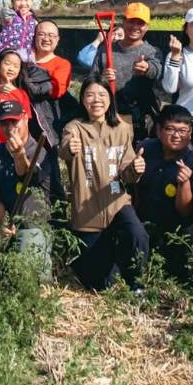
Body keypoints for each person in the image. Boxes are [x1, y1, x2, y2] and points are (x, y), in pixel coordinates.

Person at [60, 77, 149, 292]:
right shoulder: (75, 128)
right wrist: (69, 148)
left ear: (110, 99)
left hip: (116, 200)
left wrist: (135, 169)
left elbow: (126, 170)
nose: (96, 100)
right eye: (90, 95)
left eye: (102, 95)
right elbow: (65, 149)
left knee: (137, 233)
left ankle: (137, 283)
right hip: (87, 209)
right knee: (98, 282)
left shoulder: (121, 128)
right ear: (82, 100)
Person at [0, 100, 56, 277]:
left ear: (25, 119)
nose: (10, 128)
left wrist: (19, 156)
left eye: (15, 122)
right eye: (4, 123)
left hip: (32, 225)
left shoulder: (42, 151)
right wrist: (2, 223)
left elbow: (30, 177)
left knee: (30, 259)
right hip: (4, 222)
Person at [135, 103, 193, 281]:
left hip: (176, 226)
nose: (177, 136)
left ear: (190, 133)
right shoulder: (146, 148)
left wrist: (183, 184)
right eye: (170, 129)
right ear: (159, 130)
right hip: (146, 219)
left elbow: (185, 211)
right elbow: (134, 189)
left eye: (183, 131)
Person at [76, 2, 164, 133]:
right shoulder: (105, 50)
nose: (135, 27)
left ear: (147, 27)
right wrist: (102, 79)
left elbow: (157, 70)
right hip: (109, 116)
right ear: (123, 22)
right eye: (131, 21)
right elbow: (91, 80)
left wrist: (147, 68)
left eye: (140, 23)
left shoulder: (152, 52)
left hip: (140, 119)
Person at [0, 50, 32, 151]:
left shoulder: (22, 94)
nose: (11, 68)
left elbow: (26, 121)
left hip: (15, 144)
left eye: (16, 66)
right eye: (7, 63)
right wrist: (1, 88)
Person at [29, 20, 74, 127]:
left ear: (57, 40)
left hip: (50, 117)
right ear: (34, 37)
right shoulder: (23, 62)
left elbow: (56, 90)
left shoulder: (63, 64)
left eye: (51, 35)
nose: (46, 39)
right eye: (41, 34)